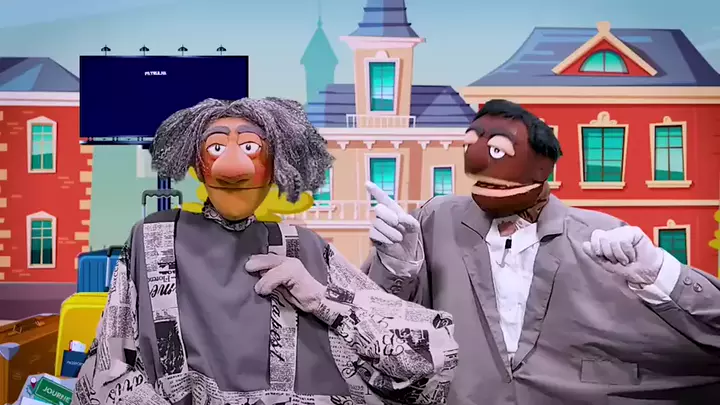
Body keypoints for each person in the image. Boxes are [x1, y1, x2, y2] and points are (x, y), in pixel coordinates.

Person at [73, 98, 458, 405]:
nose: (233, 166)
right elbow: (106, 369)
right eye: (217, 146)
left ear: (277, 165)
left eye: (251, 147)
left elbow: (426, 359)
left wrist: (325, 298)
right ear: (197, 164)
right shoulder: (153, 237)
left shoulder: (306, 248)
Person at [363, 99, 720, 405]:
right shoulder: (435, 220)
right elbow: (370, 327)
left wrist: (658, 271)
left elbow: (710, 327)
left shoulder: (602, 234)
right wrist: (396, 266)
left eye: (498, 150)